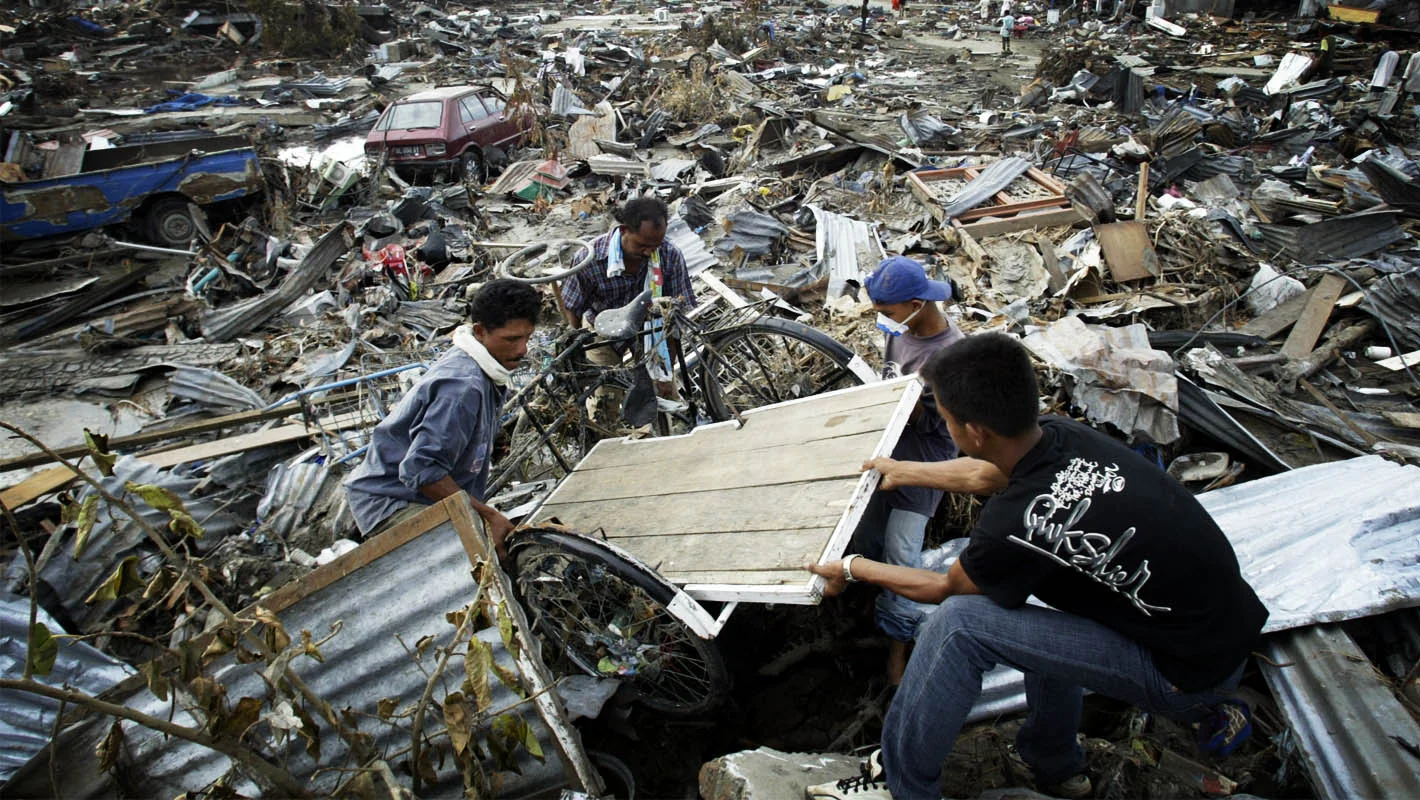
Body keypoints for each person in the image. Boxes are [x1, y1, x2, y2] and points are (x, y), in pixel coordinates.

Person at [806, 333, 1268, 800]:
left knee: (959, 626)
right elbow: (987, 473)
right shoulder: (1059, 435)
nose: (948, 432)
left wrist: (851, 567)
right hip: (1219, 633)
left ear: (974, 432)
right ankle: (1055, 764)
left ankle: (900, 786)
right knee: (1044, 596)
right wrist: (904, 470)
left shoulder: (1015, 523)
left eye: (947, 421)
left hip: (1183, 675)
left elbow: (944, 587)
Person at [343, 279, 542, 557]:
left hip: (416, 492)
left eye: (527, 338)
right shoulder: (463, 387)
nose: (522, 349)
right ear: (480, 331)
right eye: (511, 339)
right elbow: (422, 470)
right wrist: (488, 516)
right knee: (478, 561)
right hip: (393, 500)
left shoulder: (485, 368)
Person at [853, 256, 963, 684]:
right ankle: (869, 609)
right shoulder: (902, 333)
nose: (883, 320)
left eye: (887, 312)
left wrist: (909, 404)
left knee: (904, 557)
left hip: (922, 467)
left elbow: (943, 426)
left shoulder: (952, 354)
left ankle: (897, 651)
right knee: (868, 538)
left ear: (917, 303)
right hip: (888, 452)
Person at [561, 197, 697, 419]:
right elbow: (574, 308)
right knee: (605, 400)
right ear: (624, 230)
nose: (648, 252)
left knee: (663, 398)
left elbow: (674, 315)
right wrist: (579, 345)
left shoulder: (669, 255)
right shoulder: (590, 258)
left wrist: (665, 370)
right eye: (642, 245)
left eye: (655, 245)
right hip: (602, 327)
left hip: (650, 329)